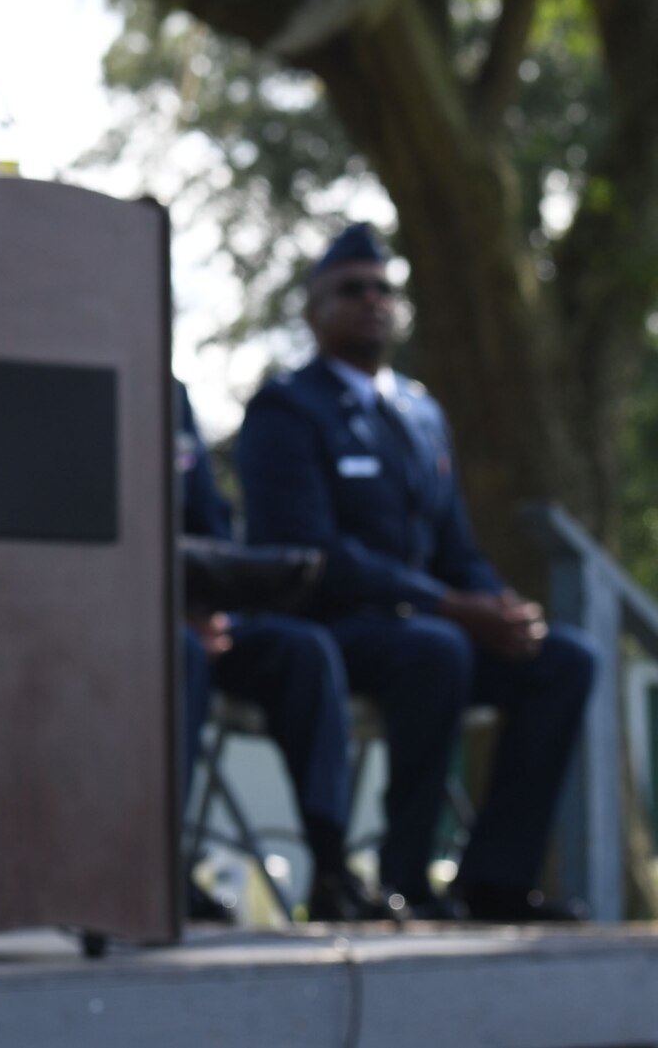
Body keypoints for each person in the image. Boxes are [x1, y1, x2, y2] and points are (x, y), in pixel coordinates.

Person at [237, 224, 597, 921]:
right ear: (315, 309)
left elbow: (453, 544)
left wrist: (500, 604)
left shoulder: (421, 412)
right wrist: (453, 608)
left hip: (433, 629)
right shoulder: (287, 409)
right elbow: (316, 554)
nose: (373, 301)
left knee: (564, 659)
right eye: (352, 289)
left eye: (384, 289)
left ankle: (495, 879)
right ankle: (405, 881)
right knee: (438, 648)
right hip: (332, 632)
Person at [175, 381, 382, 922]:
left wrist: (213, 605)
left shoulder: (169, 394)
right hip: (117, 614)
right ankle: (159, 868)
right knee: (178, 655)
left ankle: (333, 867)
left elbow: (212, 524)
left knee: (305, 651)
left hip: (200, 606)